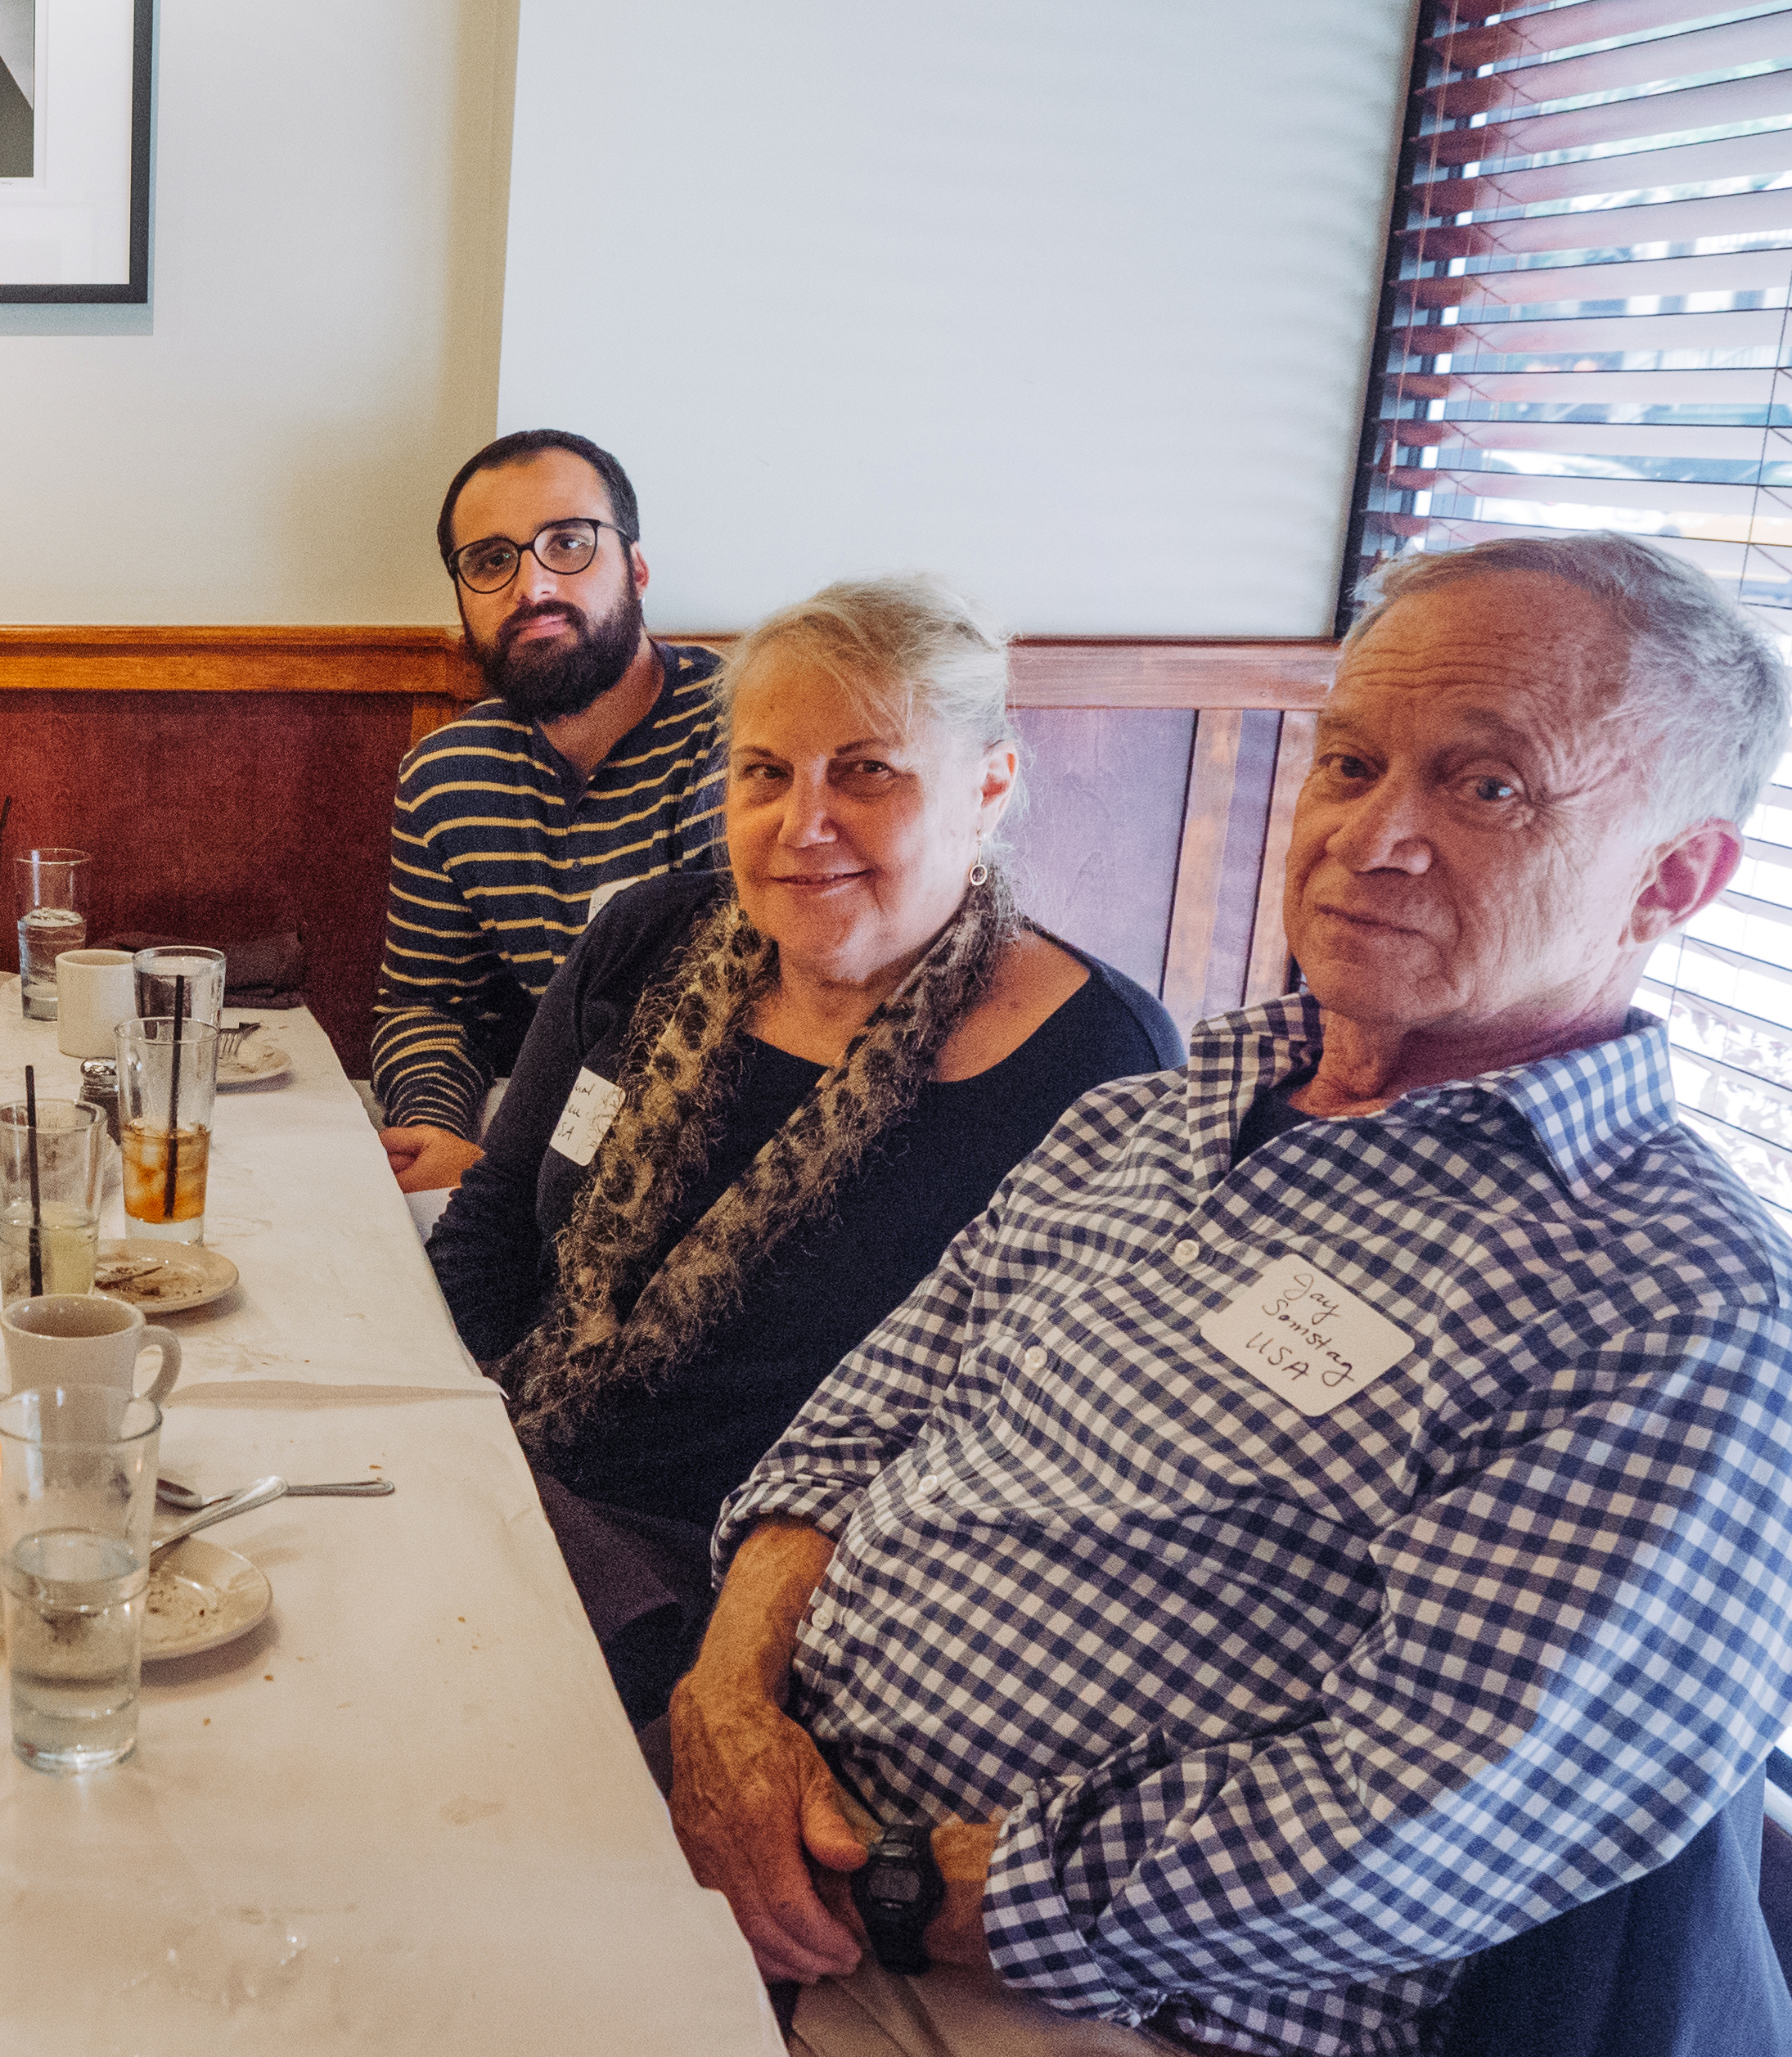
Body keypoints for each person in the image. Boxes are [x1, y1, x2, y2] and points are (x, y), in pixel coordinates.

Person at [669, 532, 1792, 2057]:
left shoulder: (1670, 1298)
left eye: (1487, 786)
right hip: (767, 1833)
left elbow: (1413, 1820)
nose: (1371, 836)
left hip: (1049, 1986)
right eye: (1347, 761)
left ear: (1673, 876)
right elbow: (849, 1430)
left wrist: (891, 1893)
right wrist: (727, 1711)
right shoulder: (1152, 1113)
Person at [430, 574, 1176, 1723]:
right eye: (765, 771)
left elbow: (1033, 1459)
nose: (800, 823)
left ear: (988, 787)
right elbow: (488, 1223)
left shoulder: (1098, 1062)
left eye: (867, 770)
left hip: (792, 1630)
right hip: (507, 1488)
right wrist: (466, 1447)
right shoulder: (644, 940)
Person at [376, 430, 730, 1194]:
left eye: (567, 543)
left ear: (635, 566)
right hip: (543, 1149)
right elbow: (427, 1005)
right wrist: (438, 1133)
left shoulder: (747, 746)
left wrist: (515, 1171)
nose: (530, 587)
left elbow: (735, 1028)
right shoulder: (446, 775)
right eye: (490, 560)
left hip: (713, 1170)